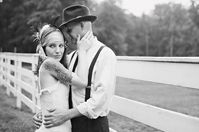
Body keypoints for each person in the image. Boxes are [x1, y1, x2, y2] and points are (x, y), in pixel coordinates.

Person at [34, 5, 117, 132]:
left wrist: (65, 115)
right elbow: (61, 91)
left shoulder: (105, 54)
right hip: (69, 124)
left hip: (92, 126)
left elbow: (101, 100)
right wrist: (45, 112)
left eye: (69, 30)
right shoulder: (71, 56)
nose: (66, 36)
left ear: (82, 25)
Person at [33, 24, 93, 132]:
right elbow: (83, 81)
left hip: (58, 126)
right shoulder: (50, 64)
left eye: (61, 45)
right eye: (52, 46)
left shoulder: (54, 66)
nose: (58, 51)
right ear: (43, 48)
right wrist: (82, 50)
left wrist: (41, 112)